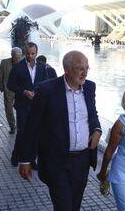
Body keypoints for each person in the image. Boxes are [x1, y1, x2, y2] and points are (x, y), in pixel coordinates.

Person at [18, 50, 102, 211]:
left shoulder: (90, 88)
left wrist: (97, 129)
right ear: (67, 69)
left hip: (82, 161)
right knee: (64, 207)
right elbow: (31, 126)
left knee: (74, 206)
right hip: (57, 161)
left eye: (87, 68)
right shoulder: (47, 90)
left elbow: (92, 115)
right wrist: (25, 159)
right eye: (80, 69)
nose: (85, 73)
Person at [7, 42, 47, 166]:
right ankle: (16, 156)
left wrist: (39, 93)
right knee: (23, 131)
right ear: (25, 53)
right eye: (28, 53)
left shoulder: (41, 67)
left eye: (33, 54)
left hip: (37, 105)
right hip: (23, 105)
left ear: (36, 53)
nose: (30, 56)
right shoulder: (18, 67)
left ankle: (31, 159)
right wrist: (24, 92)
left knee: (36, 132)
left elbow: (45, 83)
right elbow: (10, 84)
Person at [0, 47, 22, 134]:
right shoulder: (4, 62)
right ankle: (12, 126)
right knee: (9, 109)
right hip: (8, 90)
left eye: (19, 57)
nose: (17, 59)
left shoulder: (24, 63)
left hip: (20, 90)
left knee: (20, 108)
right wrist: (2, 88)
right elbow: (0, 75)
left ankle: (20, 125)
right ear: (12, 55)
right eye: (16, 57)